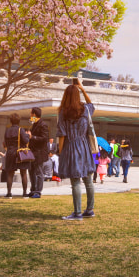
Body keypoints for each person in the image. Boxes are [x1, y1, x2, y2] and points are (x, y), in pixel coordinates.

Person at [56, 81, 96, 220]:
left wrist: (61, 152)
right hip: (85, 146)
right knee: (88, 180)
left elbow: (62, 134)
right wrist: (82, 89)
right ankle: (89, 210)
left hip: (71, 146)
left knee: (75, 181)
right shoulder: (85, 109)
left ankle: (77, 212)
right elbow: (92, 104)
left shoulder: (63, 112)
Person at [2, 114, 30, 199]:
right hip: (20, 153)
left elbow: (5, 143)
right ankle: (24, 193)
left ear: (11, 121)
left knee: (10, 174)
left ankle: (9, 193)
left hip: (10, 153)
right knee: (23, 173)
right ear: (19, 121)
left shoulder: (7, 130)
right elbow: (26, 141)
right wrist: (28, 135)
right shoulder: (21, 130)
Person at [28, 107, 50, 199]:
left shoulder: (43, 125)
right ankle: (33, 190)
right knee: (31, 171)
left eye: (31, 113)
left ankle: (38, 191)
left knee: (38, 171)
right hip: (32, 151)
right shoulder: (34, 124)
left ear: (34, 114)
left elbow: (44, 138)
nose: (30, 115)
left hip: (39, 152)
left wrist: (32, 137)